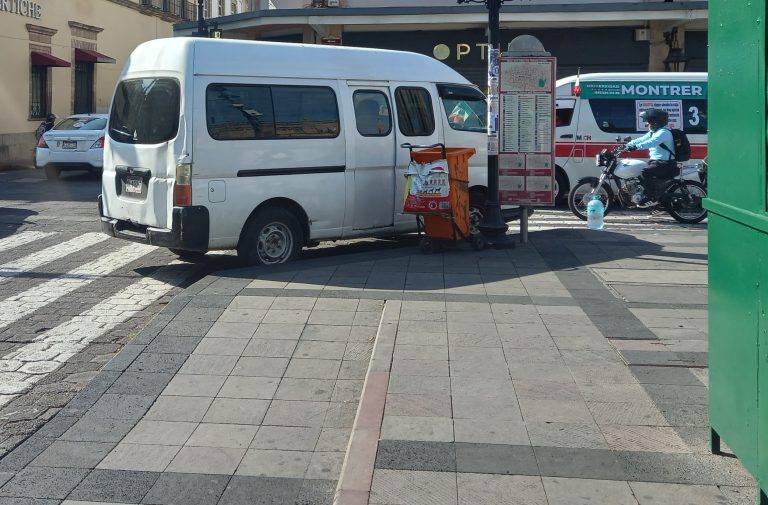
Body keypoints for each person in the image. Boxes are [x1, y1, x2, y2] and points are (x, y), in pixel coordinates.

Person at [624, 108, 678, 208]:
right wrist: (627, 145)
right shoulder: (654, 132)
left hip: (665, 163)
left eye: (649, 121)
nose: (647, 124)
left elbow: (651, 142)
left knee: (645, 172)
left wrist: (635, 147)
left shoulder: (663, 132)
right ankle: (651, 193)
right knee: (639, 173)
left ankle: (650, 196)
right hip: (657, 162)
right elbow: (641, 139)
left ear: (656, 122)